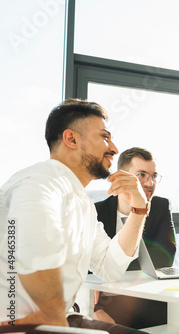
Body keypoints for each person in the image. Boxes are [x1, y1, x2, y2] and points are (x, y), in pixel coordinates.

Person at [0, 98, 149, 333]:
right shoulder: (42, 182)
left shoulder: (83, 204)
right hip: (19, 326)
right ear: (71, 139)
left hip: (60, 320)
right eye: (104, 137)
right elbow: (32, 244)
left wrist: (140, 209)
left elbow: (109, 268)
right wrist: (52, 315)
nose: (114, 148)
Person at [93, 147, 176, 329]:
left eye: (153, 176)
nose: (149, 183)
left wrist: (111, 264)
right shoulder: (96, 211)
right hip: (107, 306)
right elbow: (86, 266)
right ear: (120, 176)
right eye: (142, 175)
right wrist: (94, 309)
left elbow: (165, 257)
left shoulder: (160, 206)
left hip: (150, 301)